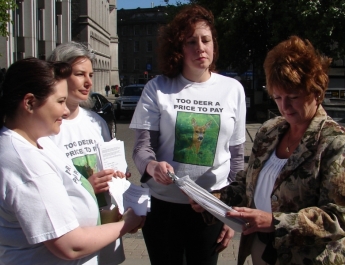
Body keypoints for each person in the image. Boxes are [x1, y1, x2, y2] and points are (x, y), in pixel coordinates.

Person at [191, 35, 345, 265]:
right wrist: (214, 199)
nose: (284, 106)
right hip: (260, 250)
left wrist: (274, 221)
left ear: (316, 92)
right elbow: (247, 183)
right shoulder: (270, 131)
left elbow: (338, 217)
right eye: (278, 97)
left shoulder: (334, 142)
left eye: (293, 97)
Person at [129, 4, 246, 265]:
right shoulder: (158, 88)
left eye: (206, 40)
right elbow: (141, 148)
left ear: (214, 44)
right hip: (162, 206)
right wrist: (152, 165)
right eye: (191, 41)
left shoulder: (233, 89)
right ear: (179, 48)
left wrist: (230, 211)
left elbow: (237, 158)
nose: (200, 48)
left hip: (210, 206)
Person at [0, 58, 144, 265]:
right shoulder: (25, 162)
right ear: (30, 103)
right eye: (60, 102)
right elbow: (70, 245)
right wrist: (127, 222)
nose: (66, 111)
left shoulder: (39, 143)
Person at [48, 42, 129, 265]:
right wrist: (85, 187)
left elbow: (111, 165)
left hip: (105, 228)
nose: (88, 82)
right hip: (73, 237)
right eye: (80, 74)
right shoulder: (47, 127)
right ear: (60, 75)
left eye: (91, 74)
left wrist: (120, 178)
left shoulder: (96, 122)